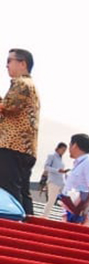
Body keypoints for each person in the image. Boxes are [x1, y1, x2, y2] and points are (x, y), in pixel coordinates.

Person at [0, 49, 38, 216]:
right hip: (26, 148)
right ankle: (29, 230)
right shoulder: (30, 86)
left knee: (9, 190)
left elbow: (7, 107)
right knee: (23, 193)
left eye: (10, 60)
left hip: (12, 145)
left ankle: (12, 229)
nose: (6, 65)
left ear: (23, 63)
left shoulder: (21, 83)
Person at [39, 142, 67, 218]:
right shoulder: (52, 156)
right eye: (63, 150)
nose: (64, 152)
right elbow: (46, 167)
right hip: (53, 181)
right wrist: (57, 170)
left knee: (66, 199)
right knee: (51, 200)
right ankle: (44, 216)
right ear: (58, 148)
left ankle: (65, 216)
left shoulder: (61, 159)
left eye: (65, 150)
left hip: (61, 182)